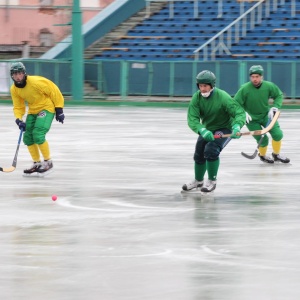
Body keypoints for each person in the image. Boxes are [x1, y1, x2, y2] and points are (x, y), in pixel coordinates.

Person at [182, 70, 245, 193]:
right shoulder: (197, 98)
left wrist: (237, 126)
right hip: (208, 129)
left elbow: (239, 112)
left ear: (212, 85)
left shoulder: (223, 97)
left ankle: (212, 181)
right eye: (200, 86)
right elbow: (192, 118)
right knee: (199, 152)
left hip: (224, 129)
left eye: (205, 86)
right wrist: (202, 130)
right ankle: (198, 181)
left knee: (211, 150)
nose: (203, 89)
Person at [10, 62, 65, 176]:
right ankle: (37, 163)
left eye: (20, 73)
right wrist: (19, 119)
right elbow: (18, 106)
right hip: (33, 111)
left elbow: (53, 90)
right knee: (28, 138)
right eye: (15, 74)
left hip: (46, 108)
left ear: (24, 73)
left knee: (38, 134)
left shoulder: (36, 82)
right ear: (12, 76)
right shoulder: (14, 89)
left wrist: (59, 109)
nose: (18, 77)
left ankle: (48, 162)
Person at [234, 65, 290, 164]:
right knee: (263, 140)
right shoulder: (244, 89)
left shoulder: (269, 86)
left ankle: (276, 155)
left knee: (278, 134)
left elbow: (278, 95)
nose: (255, 79)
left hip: (266, 116)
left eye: (257, 76)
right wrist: (242, 113)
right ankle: (263, 156)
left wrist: (275, 107)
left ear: (261, 77)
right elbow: (235, 103)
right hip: (251, 119)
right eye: (252, 77)